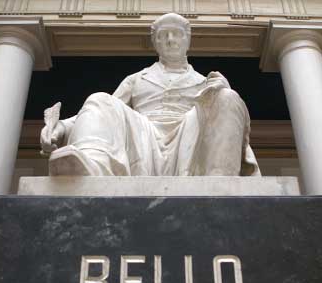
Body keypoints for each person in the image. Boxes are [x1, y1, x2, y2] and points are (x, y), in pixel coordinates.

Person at [40, 13, 260, 176]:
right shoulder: (136, 79)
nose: (171, 40)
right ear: (155, 43)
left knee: (227, 97)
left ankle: (220, 186)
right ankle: (91, 165)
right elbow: (102, 112)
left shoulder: (206, 82)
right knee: (99, 98)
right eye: (164, 35)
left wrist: (222, 93)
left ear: (187, 40)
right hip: (144, 135)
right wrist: (62, 128)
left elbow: (217, 118)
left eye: (177, 34)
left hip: (189, 135)